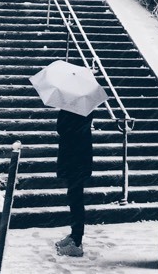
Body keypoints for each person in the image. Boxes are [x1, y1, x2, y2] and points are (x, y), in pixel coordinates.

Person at [54, 109, 95, 258]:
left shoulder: (75, 107)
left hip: (76, 158)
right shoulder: (82, 106)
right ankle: (74, 235)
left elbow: (62, 128)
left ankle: (76, 241)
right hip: (77, 157)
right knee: (74, 196)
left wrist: (63, 116)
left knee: (75, 198)